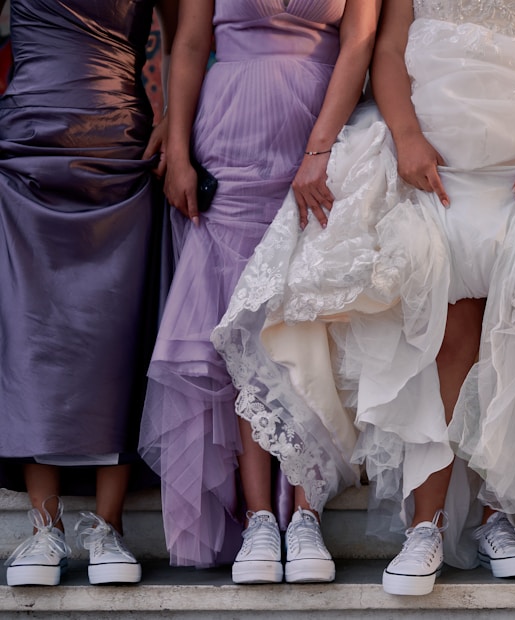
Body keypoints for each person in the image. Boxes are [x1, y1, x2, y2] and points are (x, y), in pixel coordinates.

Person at [213, 0, 515, 597]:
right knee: (447, 325)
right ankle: (425, 525)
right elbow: (388, 48)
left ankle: (497, 513)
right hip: (434, 155)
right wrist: (406, 137)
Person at [138, 0, 379, 583]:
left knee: (305, 315)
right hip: (230, 140)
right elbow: (189, 43)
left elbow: (359, 42)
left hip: (320, 132)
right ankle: (259, 519)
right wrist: (177, 148)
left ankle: (306, 512)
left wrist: (319, 148)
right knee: (240, 321)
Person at [0, 0, 177, 586]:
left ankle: (109, 528)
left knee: (116, 335)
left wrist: (174, 119)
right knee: (32, 332)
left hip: (120, 146)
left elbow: (185, 37)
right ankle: (43, 528)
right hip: (26, 145)